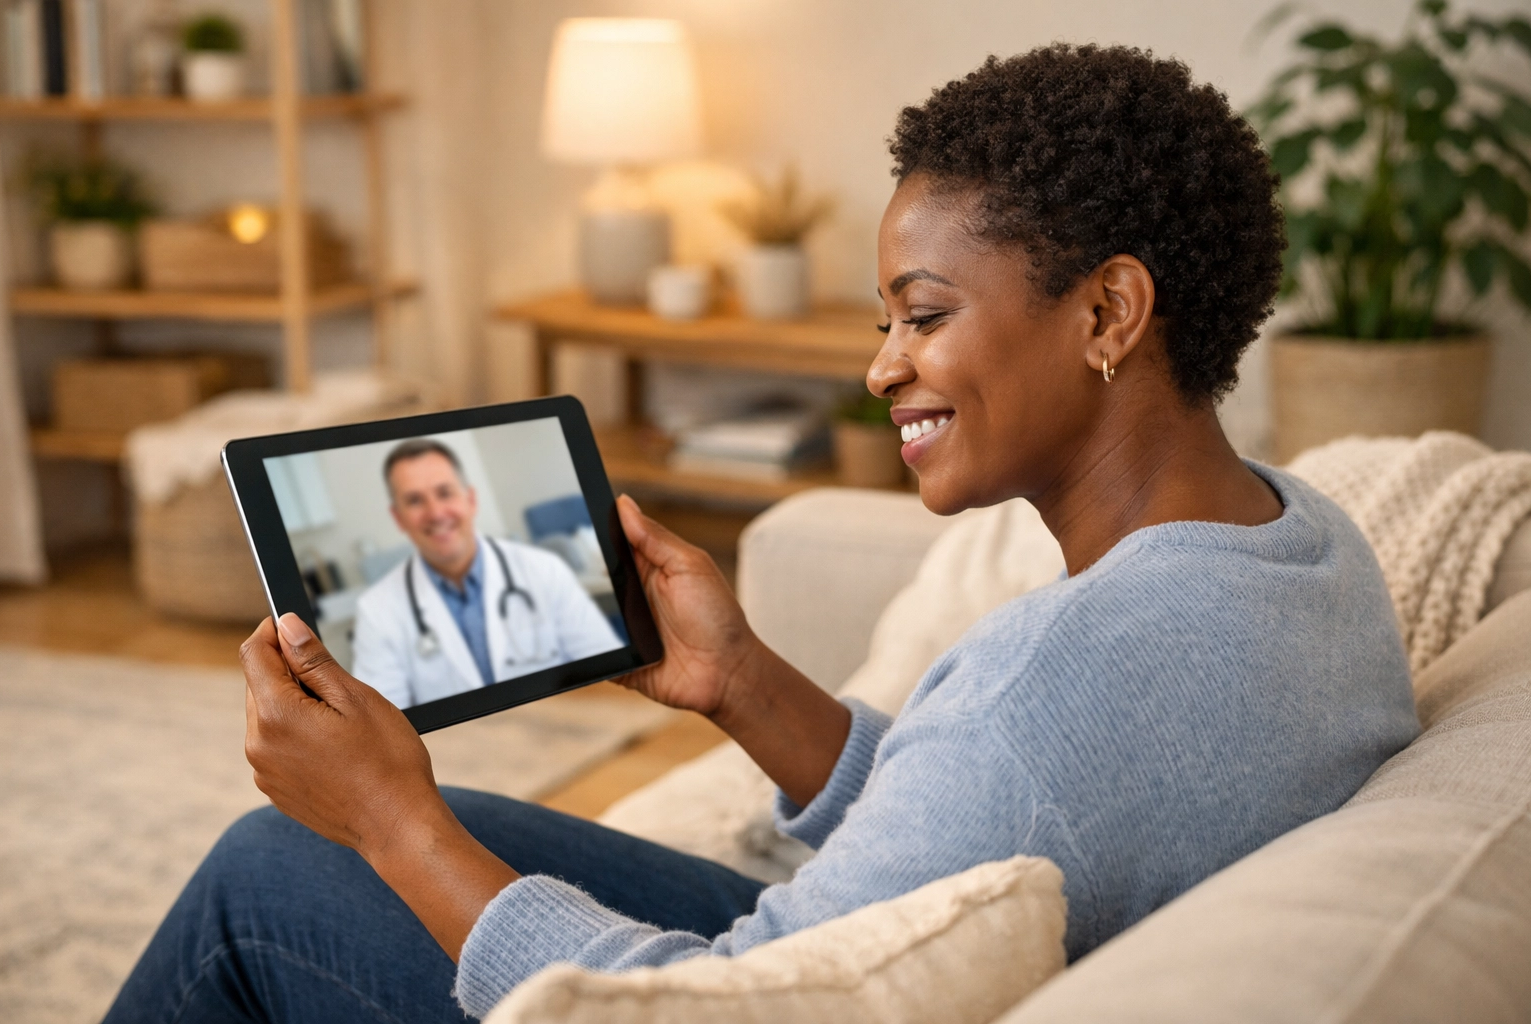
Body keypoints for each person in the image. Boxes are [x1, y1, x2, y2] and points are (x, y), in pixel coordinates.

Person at [104, 45, 1419, 1023]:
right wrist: (743, 685)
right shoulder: (1306, 544)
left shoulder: (1052, 680)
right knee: (421, 823)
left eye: (923, 313)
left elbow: (730, 1005)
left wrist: (391, 821)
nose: (880, 367)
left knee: (278, 866)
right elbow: (1005, 829)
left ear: (1109, 313)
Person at [350, 438, 622, 708]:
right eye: (414, 501)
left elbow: (613, 675)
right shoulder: (376, 611)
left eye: (445, 493)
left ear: (470, 499)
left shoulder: (544, 570)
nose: (435, 513)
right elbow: (382, 728)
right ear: (398, 518)